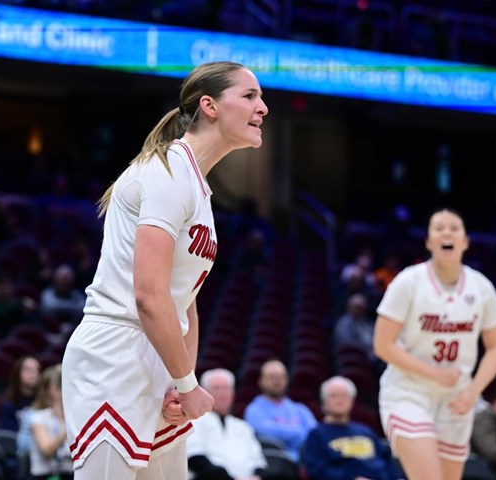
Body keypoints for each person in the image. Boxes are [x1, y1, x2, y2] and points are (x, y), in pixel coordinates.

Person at [62, 61, 268, 480]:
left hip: (158, 359)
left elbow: (184, 302)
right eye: (250, 96)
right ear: (209, 106)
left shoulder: (197, 186)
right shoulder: (167, 172)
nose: (262, 107)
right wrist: (189, 387)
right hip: (117, 353)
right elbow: (149, 296)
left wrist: (180, 380)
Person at [373, 208, 496, 480]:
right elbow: (382, 345)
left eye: (454, 227)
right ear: (428, 241)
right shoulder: (408, 282)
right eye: (439, 228)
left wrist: (473, 391)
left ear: (466, 241)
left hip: (456, 399)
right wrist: (434, 373)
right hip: (408, 392)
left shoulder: (481, 288)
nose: (447, 232)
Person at [302, 376, 397, 480]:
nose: (339, 400)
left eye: (344, 396)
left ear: (352, 401)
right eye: (333, 396)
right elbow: (317, 471)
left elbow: (386, 462)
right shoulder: (316, 434)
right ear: (324, 401)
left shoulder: (365, 431)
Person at [186, 368, 268, 480]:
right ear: (204, 393)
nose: (222, 393)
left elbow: (259, 461)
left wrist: (257, 476)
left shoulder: (243, 427)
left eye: (226, 388)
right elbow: (194, 456)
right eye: (216, 388)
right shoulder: (194, 421)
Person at [244, 359, 317, 464]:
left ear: (287, 380)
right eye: (271, 377)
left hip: (303, 463)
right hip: (272, 465)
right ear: (261, 381)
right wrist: (298, 433)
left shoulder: (300, 409)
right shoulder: (253, 410)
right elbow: (266, 433)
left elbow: (313, 435)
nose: (277, 381)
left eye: (281, 377)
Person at [28, 364, 72, 480]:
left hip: (71, 474)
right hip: (45, 476)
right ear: (54, 390)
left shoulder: (77, 417)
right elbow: (47, 450)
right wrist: (68, 427)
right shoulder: (39, 417)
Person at [0, 355, 40, 431]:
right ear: (18, 373)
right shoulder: (8, 403)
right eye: (29, 370)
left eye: (37, 370)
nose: (34, 374)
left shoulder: (43, 400)